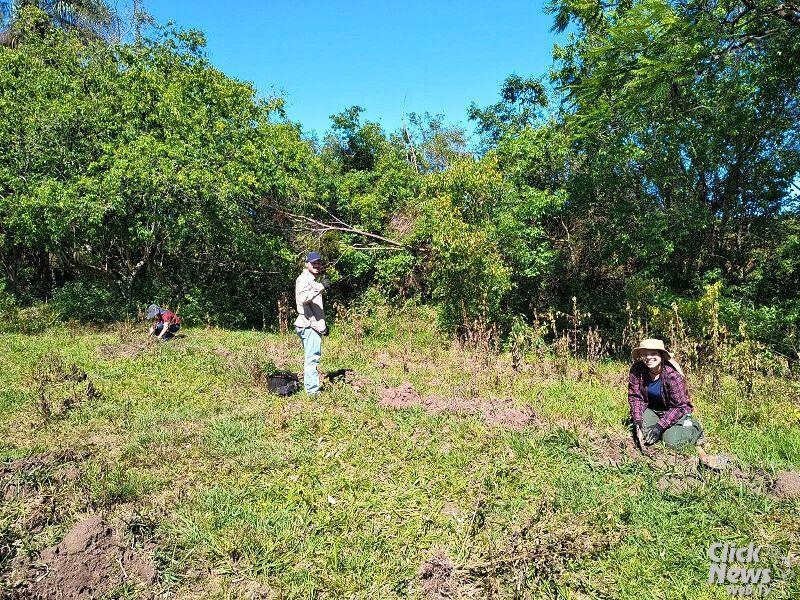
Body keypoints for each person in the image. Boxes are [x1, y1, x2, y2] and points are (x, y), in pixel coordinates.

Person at [628, 338, 704, 450]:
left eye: (653, 353)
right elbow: (635, 397)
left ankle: (695, 429)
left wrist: (659, 426)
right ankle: (657, 428)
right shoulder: (637, 369)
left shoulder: (672, 375)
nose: (648, 357)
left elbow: (680, 406)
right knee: (644, 432)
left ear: (662, 355)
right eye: (645, 354)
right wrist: (638, 421)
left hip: (674, 411)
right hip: (652, 409)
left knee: (671, 442)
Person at [294, 252, 330, 396]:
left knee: (311, 357)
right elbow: (303, 298)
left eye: (319, 263)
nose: (317, 265)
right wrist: (321, 287)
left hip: (311, 324)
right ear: (306, 264)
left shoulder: (312, 280)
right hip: (308, 325)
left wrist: (323, 326)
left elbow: (314, 306)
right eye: (313, 263)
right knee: (312, 358)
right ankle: (312, 392)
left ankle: (311, 389)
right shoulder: (303, 279)